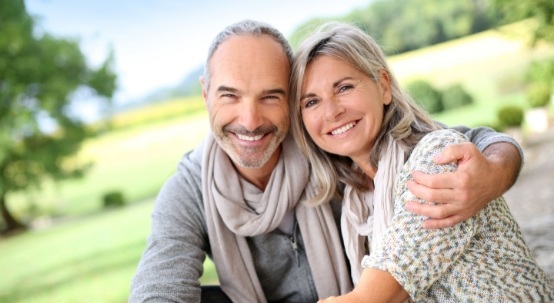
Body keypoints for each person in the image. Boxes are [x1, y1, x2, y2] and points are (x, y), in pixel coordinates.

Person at [129, 20, 524, 303]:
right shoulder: (190, 190)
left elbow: (464, 142)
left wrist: (494, 171)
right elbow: (159, 286)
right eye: (230, 95)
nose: (249, 121)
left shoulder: (327, 150)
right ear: (205, 93)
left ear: (289, 99)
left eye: (270, 96)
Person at [289, 22, 554, 302]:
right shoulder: (356, 198)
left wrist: (501, 164)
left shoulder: (437, 159)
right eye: (311, 102)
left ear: (384, 87)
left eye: (344, 87)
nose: (332, 111)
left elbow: (375, 293)